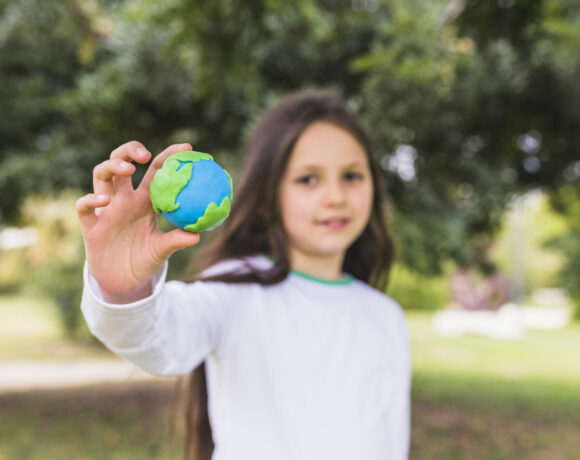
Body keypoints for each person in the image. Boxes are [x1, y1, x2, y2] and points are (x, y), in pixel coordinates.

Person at [76, 89, 411, 460]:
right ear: (268, 195)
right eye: (308, 179)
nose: (335, 196)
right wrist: (124, 288)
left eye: (351, 175)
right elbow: (155, 341)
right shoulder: (232, 290)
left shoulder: (386, 316)